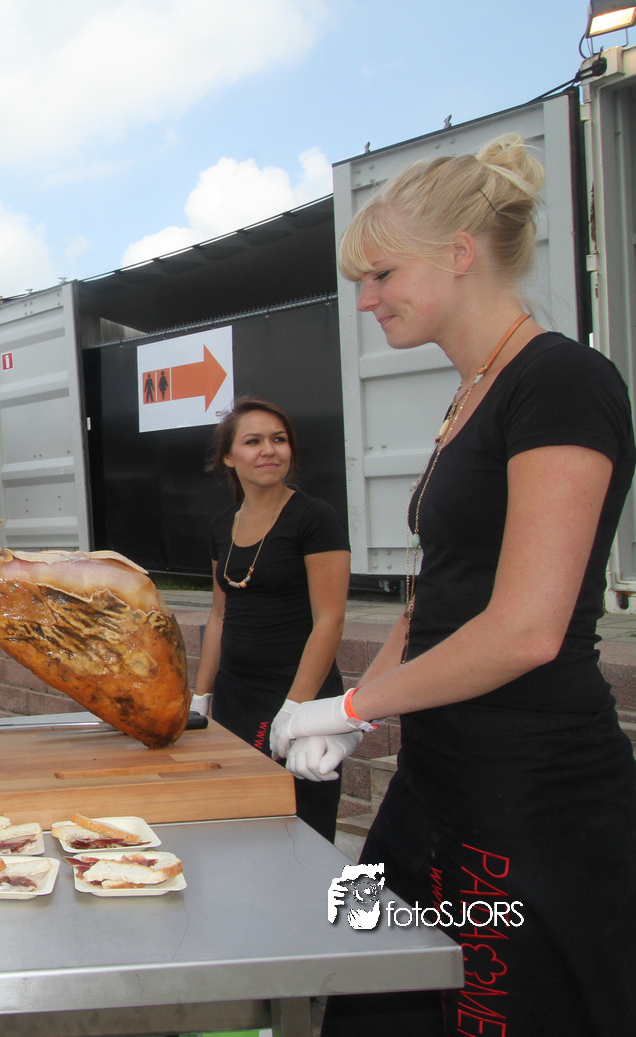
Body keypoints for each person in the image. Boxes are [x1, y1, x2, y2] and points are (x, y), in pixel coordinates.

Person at [280, 135, 636, 1035]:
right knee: (365, 989)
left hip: (528, 796)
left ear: (459, 253)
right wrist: (360, 721)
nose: (365, 299)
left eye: (380, 274)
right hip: (434, 778)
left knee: (496, 1012)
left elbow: (524, 629)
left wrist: (349, 704)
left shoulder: (561, 381)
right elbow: (435, 600)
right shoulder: (471, 391)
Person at [190, 397, 350, 842]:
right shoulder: (222, 525)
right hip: (235, 697)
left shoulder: (314, 518)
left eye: (279, 440)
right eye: (253, 441)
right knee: (241, 823)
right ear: (228, 457)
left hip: (299, 694)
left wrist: (296, 709)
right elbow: (220, 615)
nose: (269, 450)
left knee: (301, 828)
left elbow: (330, 621)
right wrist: (201, 696)